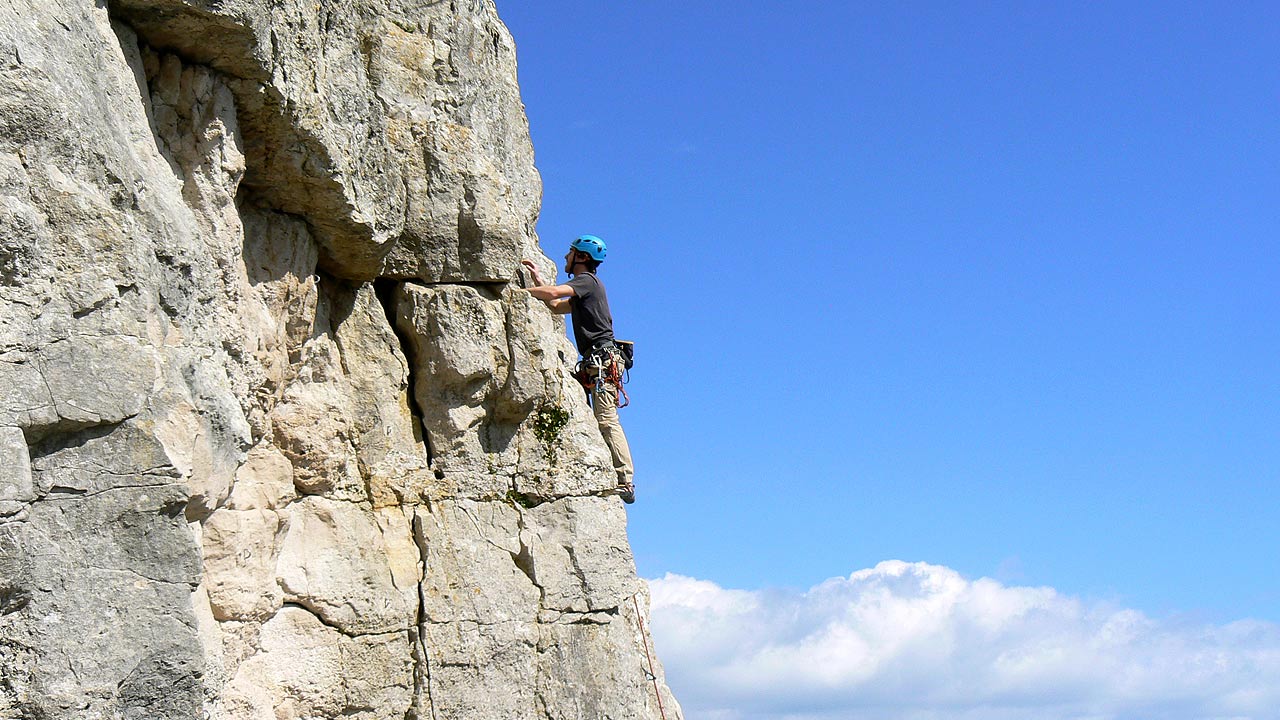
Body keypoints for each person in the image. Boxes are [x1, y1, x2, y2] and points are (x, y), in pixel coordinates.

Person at [521, 235, 635, 504]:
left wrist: (518, 292)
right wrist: (538, 281)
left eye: (570, 253)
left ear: (582, 257)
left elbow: (553, 295)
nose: (565, 257)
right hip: (598, 361)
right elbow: (554, 305)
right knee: (601, 418)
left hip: (603, 361)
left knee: (607, 419)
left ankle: (625, 479)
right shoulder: (585, 290)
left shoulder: (587, 282)